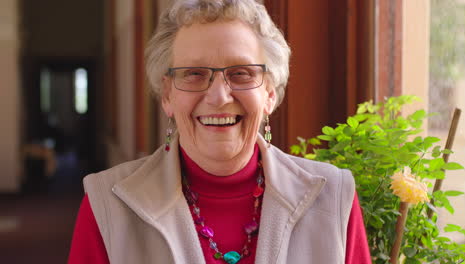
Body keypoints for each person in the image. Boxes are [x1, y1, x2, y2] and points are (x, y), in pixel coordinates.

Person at [68, 0, 371, 263]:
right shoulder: (107, 205)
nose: (218, 97)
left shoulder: (333, 197)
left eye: (241, 73)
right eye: (194, 74)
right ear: (167, 96)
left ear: (269, 93)